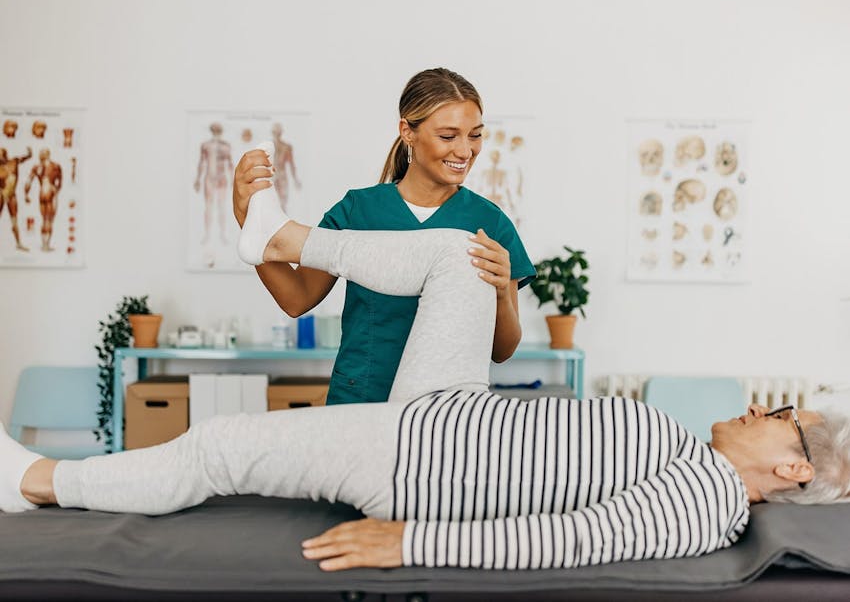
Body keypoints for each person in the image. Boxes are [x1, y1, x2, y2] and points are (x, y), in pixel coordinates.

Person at [3, 214, 848, 572]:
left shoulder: (703, 501)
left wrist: (410, 542)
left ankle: (37, 482)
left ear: (793, 471)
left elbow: (573, 538)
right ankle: (281, 234)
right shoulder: (696, 459)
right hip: (454, 410)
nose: (761, 407)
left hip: (415, 460)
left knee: (220, 448)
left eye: (782, 416)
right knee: (461, 255)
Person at [232, 68, 535, 405]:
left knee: (453, 250)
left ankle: (280, 234)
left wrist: (500, 292)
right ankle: (272, 234)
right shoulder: (359, 209)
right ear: (407, 132)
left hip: (441, 411)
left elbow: (503, 351)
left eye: (475, 135)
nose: (465, 151)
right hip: (359, 401)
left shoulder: (490, 223)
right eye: (448, 136)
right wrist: (247, 219)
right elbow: (296, 298)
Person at [194, 122, 234, 245]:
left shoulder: (225, 146)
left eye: (218, 130)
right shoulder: (206, 145)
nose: (216, 133)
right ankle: (207, 234)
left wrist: (232, 179)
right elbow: (201, 162)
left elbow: (230, 164)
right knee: (209, 207)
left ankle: (222, 234)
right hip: (210, 178)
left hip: (221, 178)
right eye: (215, 130)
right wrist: (198, 179)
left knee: (221, 206)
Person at [24, 148, 63, 252]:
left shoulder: (36, 167)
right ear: (49, 155)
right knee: (50, 220)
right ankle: (46, 245)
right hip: (50, 191)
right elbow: (60, 183)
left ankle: (43, 244)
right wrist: (55, 191)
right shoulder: (56, 166)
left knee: (44, 219)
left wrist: (26, 195)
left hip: (42, 192)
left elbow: (28, 182)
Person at [0, 146, 33, 251]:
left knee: (14, 221)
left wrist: (29, 154)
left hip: (11, 196)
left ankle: (18, 243)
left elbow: (24, 158)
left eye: (1, 155)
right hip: (1, 195)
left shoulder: (14, 161)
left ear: (5, 155)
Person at [270, 122, 300, 212]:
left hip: (281, 175)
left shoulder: (286, 147)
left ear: (281, 133)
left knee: (282, 202)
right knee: (272, 202)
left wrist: (295, 179)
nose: (277, 134)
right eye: (275, 132)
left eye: (278, 132)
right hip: (271, 176)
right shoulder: (268, 147)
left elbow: (291, 164)